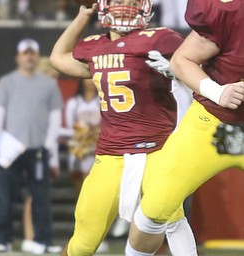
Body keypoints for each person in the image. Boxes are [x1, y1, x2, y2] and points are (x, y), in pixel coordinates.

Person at [50, 0, 198, 255]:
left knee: (173, 218)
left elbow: (199, 64)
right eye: (119, 1)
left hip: (157, 150)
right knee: (84, 239)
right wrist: (83, 16)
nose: (125, 6)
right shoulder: (94, 46)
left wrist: (178, 71)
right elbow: (58, 59)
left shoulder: (160, 38)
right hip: (111, 153)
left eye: (131, 1)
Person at [126, 0, 244, 255]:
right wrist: (217, 91)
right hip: (213, 122)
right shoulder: (229, 12)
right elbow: (183, 60)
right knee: (154, 207)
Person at [0, 38, 63, 254]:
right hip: (11, 150)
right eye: (25, 53)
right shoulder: (7, 82)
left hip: (38, 150)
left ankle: (43, 240)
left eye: (32, 53)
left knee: (40, 197)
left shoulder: (49, 84)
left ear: (37, 57)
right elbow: (0, 115)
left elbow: (55, 117)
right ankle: (3, 239)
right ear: (18, 57)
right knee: (4, 197)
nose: (28, 56)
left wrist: (47, 147)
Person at [64, 78, 101, 192]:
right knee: (79, 179)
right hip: (79, 147)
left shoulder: (101, 102)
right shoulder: (74, 103)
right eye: (87, 79)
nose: (90, 82)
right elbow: (69, 126)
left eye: (92, 79)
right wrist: (82, 132)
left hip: (97, 146)